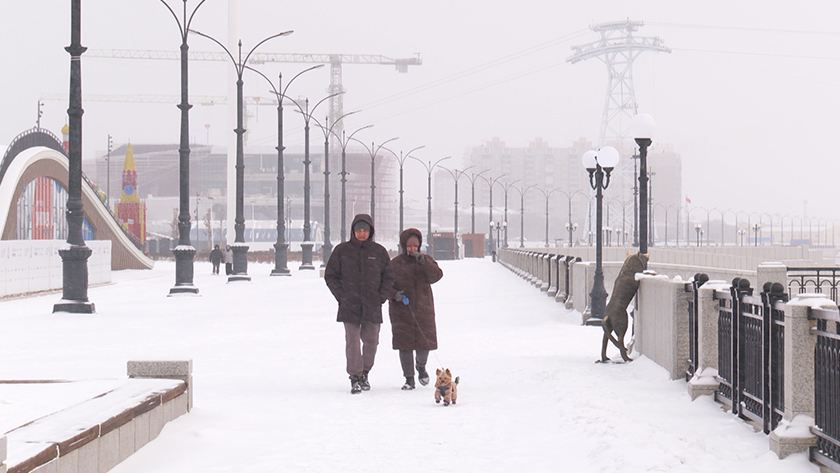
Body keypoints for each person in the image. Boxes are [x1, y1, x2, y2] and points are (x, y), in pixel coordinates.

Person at [325, 214, 394, 394]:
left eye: (364, 231)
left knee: (372, 341)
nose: (361, 234)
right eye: (358, 230)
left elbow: (388, 277)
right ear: (353, 232)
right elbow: (331, 275)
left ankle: (365, 372)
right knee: (353, 341)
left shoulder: (379, 252)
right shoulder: (342, 251)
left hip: (372, 305)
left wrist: (381, 296)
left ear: (370, 231)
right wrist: (341, 296)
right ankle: (355, 376)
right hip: (349, 305)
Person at [389, 228, 443, 390]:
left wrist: (424, 262)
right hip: (401, 310)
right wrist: (394, 294)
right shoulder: (395, 264)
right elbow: (384, 284)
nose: (412, 249)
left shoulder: (426, 260)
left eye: (415, 246)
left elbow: (436, 276)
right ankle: (409, 378)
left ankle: (421, 366)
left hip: (423, 308)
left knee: (423, 343)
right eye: (409, 246)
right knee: (404, 345)